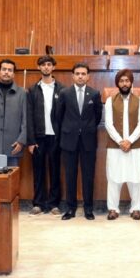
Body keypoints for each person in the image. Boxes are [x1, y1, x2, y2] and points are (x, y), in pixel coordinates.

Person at [56, 62, 102, 220]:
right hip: (69, 140)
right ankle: (70, 208)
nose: (80, 76)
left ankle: (88, 208)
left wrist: (86, 128)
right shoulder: (64, 93)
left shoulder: (94, 94)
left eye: (83, 74)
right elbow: (58, 116)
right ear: (73, 76)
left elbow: (97, 117)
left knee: (88, 176)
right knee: (70, 175)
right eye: (77, 73)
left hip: (88, 141)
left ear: (88, 77)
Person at [103, 69, 140, 220]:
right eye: (121, 81)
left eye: (127, 81)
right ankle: (113, 209)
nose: (124, 83)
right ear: (117, 84)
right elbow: (108, 124)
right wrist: (121, 141)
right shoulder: (110, 100)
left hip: (135, 145)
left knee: (135, 177)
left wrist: (130, 141)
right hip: (115, 145)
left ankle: (135, 209)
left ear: (131, 82)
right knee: (113, 177)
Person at [27, 55, 64, 216]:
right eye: (43, 65)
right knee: (39, 171)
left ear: (53, 67)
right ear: (39, 67)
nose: (46, 67)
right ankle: (39, 203)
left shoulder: (62, 89)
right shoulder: (33, 89)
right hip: (39, 138)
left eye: (49, 64)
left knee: (55, 171)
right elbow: (29, 116)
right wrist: (31, 140)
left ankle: (54, 203)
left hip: (56, 137)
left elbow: (65, 116)